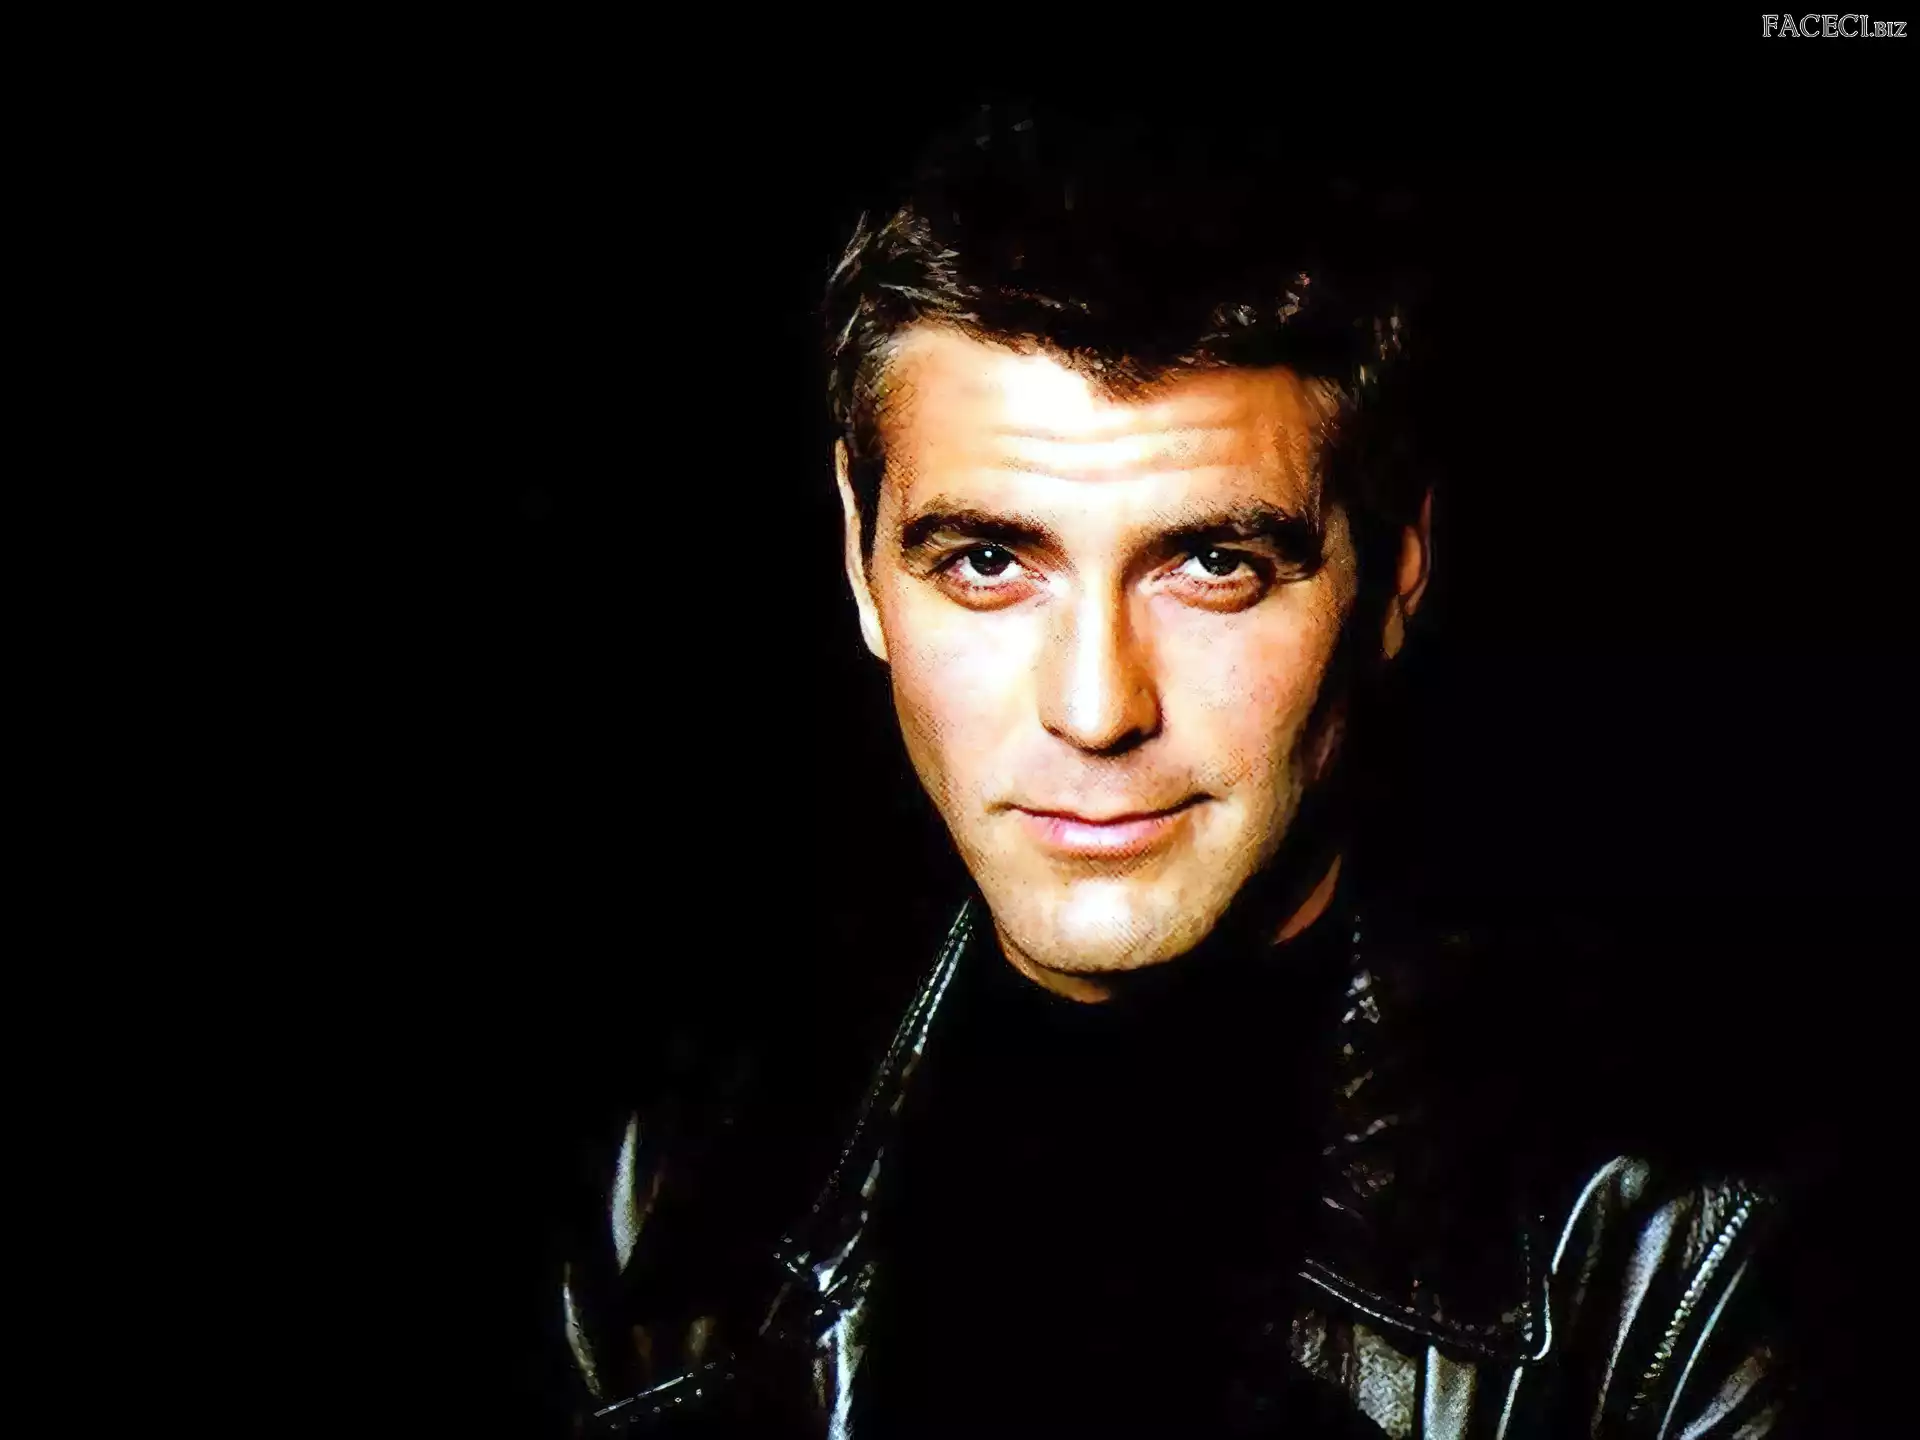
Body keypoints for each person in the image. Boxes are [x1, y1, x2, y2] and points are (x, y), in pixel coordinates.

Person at [557, 106, 1790, 1437]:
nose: (1096, 711)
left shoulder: (1669, 1270)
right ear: (863, 559)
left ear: (1396, 572)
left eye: (1213, 565)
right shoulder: (669, 1206)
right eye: (988, 561)